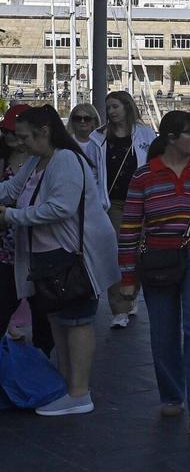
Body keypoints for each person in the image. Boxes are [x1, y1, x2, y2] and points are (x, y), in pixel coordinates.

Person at [0, 106, 119, 416]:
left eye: (25, 136)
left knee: (78, 321)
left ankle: (80, 393)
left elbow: (60, 208)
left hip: (73, 257)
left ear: (44, 131)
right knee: (60, 320)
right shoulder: (40, 160)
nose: (20, 142)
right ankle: (68, 387)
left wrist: (12, 216)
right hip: (50, 257)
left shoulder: (66, 160)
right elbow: (12, 189)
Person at [118, 110, 190, 431]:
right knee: (163, 333)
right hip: (158, 259)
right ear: (170, 137)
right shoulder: (143, 176)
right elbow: (129, 229)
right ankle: (171, 394)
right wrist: (127, 279)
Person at [86, 90, 157, 329]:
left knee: (138, 252)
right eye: (108, 107)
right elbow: (92, 169)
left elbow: (154, 165)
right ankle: (119, 308)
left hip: (141, 201)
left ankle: (131, 292)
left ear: (127, 107)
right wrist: (96, 196)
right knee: (118, 253)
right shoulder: (98, 138)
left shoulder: (146, 134)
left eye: (115, 106)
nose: (111, 112)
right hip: (113, 202)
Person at [1, 104, 53, 355]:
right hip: (7, 248)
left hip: (37, 248)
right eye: (8, 132)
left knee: (42, 311)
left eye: (19, 134)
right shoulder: (9, 160)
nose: (13, 138)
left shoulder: (45, 162)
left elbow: (56, 207)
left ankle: (45, 359)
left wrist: (12, 212)